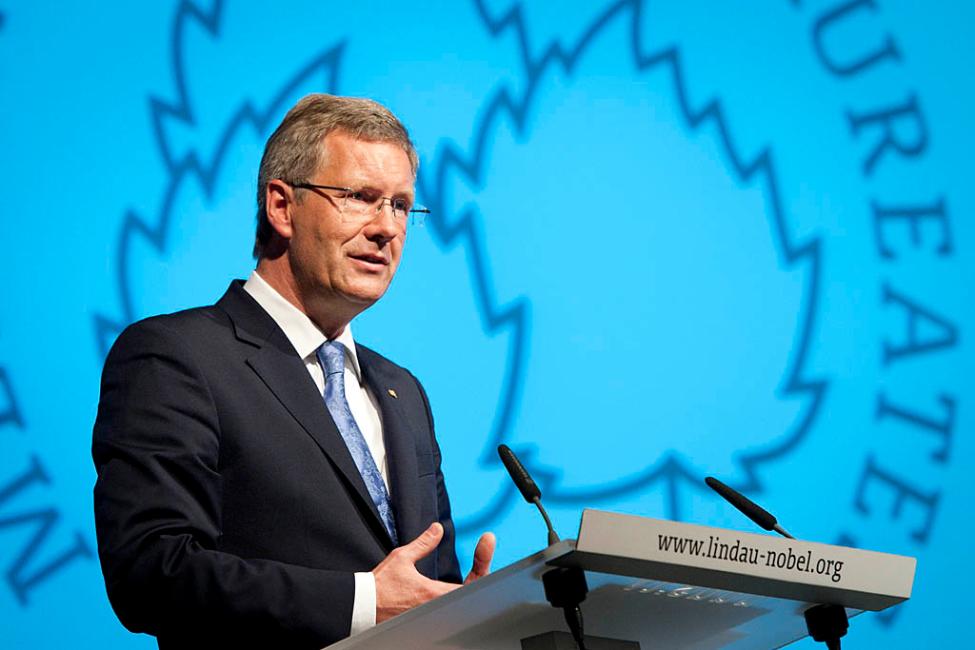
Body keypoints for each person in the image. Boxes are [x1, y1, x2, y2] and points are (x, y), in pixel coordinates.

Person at [92, 93, 495, 649]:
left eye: (401, 206)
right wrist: (361, 603)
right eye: (360, 197)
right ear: (282, 207)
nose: (387, 228)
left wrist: (472, 614)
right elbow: (151, 571)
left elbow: (422, 586)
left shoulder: (404, 391)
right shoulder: (175, 358)